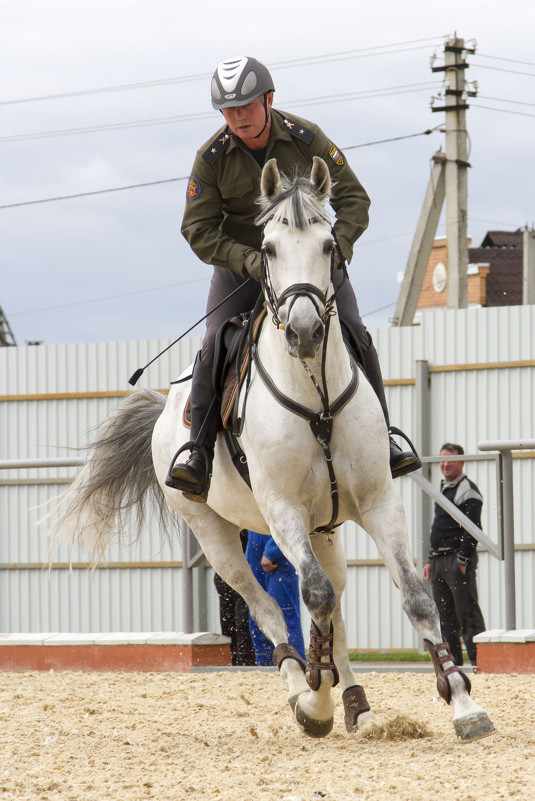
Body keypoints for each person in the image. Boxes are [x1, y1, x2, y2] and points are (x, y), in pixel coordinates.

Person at [166, 56, 421, 501]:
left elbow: (354, 199)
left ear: (268, 99)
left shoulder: (308, 139)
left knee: (356, 331)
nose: (238, 117)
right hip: (245, 264)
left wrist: (335, 249)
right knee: (213, 341)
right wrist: (248, 261)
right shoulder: (210, 159)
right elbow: (197, 229)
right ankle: (198, 452)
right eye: (228, 111)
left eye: (246, 106)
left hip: (310, 261)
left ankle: (387, 437)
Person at [422, 443, 486, 667]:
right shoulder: (444, 488)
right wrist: (431, 559)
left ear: (462, 462)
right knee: (446, 619)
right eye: (442, 460)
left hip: (455, 561)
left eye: (451, 460)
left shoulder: (467, 489)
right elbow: (439, 528)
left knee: (467, 614)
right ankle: (455, 666)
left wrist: (463, 560)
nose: (446, 464)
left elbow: (473, 529)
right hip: (440, 561)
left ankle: (481, 663)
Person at [245, 530, 305, 665]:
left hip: (276, 547)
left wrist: (273, 550)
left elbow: (288, 519)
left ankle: (295, 666)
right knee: (258, 617)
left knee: (284, 615)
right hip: (254, 542)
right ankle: (267, 669)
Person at [213, 530, 256, 666]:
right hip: (225, 573)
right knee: (228, 626)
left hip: (244, 572)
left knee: (243, 624)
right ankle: (233, 665)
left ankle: (246, 665)